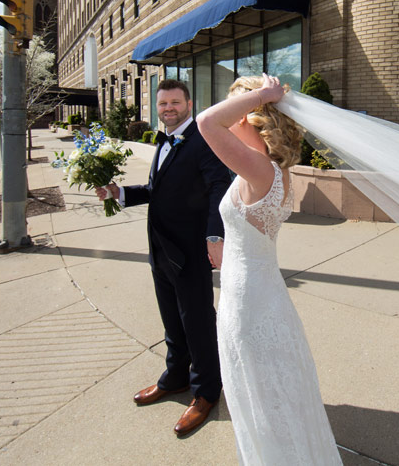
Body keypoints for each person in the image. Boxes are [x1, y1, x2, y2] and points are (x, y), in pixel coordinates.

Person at [197, 74, 342, 465]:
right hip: (265, 291)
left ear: (247, 116)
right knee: (277, 391)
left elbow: (206, 122)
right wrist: (228, 245)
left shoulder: (259, 169)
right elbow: (254, 230)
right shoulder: (276, 172)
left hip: (248, 301)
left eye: (237, 109)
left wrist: (261, 94)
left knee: (260, 394)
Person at [96, 79, 231, 437]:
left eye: (175, 102)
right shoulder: (165, 141)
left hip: (190, 250)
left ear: (189, 103)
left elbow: (220, 186)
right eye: (163, 103)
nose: (168, 108)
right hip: (160, 248)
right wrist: (119, 192)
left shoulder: (204, 140)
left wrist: (215, 235)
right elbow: (158, 190)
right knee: (172, 320)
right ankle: (175, 377)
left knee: (198, 321)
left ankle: (205, 392)